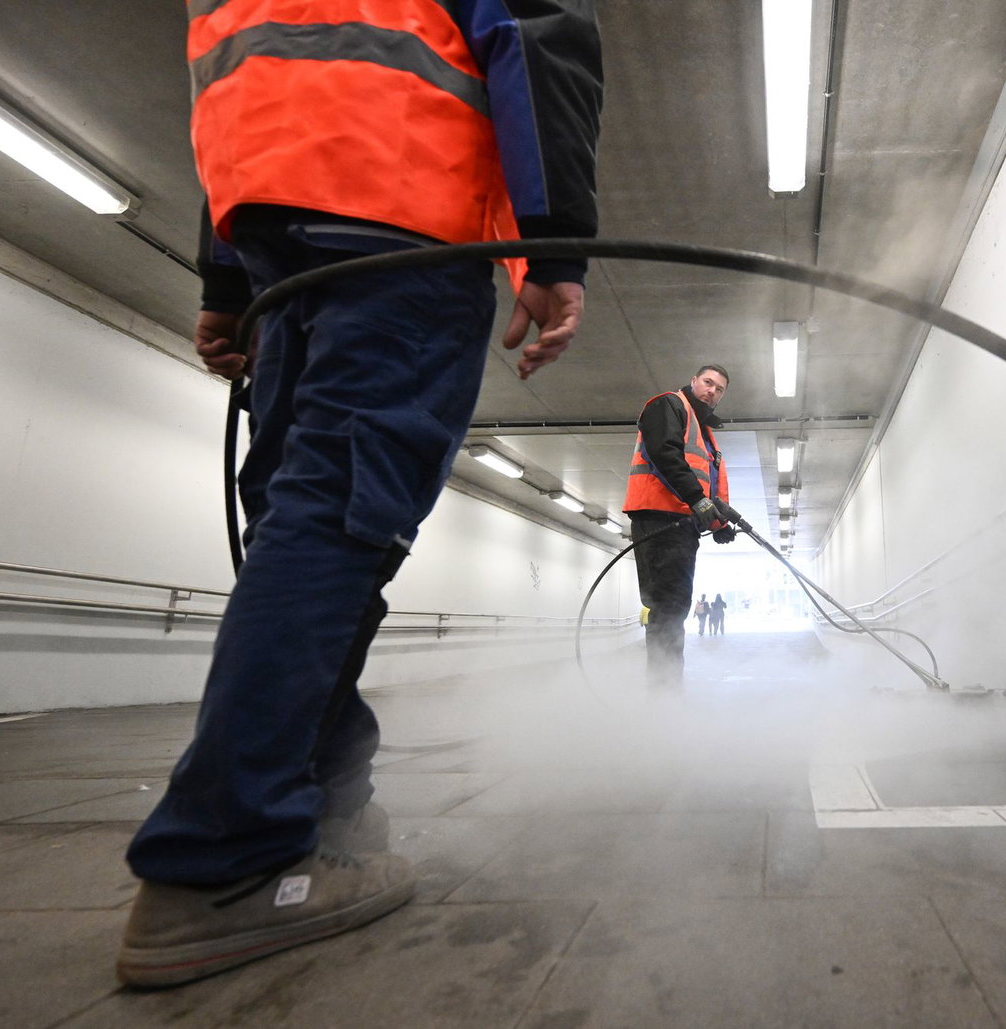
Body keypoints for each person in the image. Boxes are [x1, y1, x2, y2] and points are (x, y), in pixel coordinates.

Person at [118, 0, 602, 988]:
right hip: (400, 214)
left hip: (276, 233)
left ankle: (320, 801)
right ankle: (228, 858)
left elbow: (239, 73)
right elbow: (533, 28)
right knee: (339, 519)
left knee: (311, 520)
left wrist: (224, 273)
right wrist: (552, 247)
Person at [623, 365, 738, 684]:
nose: (712, 390)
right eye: (707, 382)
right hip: (658, 518)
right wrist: (697, 500)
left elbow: (708, 484)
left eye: (720, 388)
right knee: (666, 606)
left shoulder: (703, 431)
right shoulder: (668, 405)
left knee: (676, 604)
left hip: (683, 523)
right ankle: (664, 695)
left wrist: (718, 524)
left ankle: (667, 689)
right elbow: (664, 453)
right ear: (693, 382)